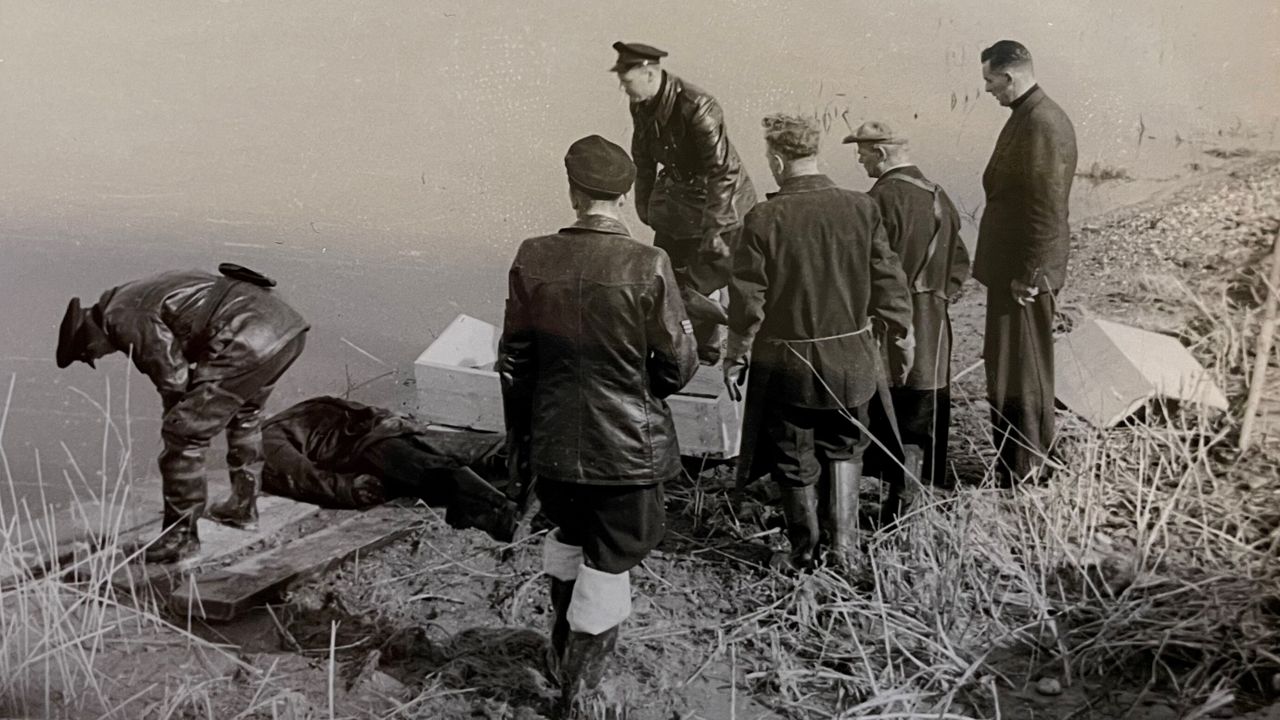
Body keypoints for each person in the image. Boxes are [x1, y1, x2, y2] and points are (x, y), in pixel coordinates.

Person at [498, 135, 698, 711]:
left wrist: (528, 434)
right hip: (628, 452)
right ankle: (580, 698)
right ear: (626, 194)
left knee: (567, 538)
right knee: (610, 563)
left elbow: (515, 358)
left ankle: (561, 656)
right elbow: (679, 364)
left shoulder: (532, 254)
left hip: (555, 447)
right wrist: (640, 390)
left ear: (573, 191)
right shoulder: (647, 262)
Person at [725, 114, 913, 571]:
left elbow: (749, 300)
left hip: (788, 365)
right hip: (852, 358)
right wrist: (904, 337)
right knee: (847, 445)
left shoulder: (763, 217)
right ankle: (844, 551)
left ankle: (803, 552)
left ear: (775, 159)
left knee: (793, 453)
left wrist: (736, 354)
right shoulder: (861, 207)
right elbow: (890, 281)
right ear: (815, 154)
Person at [56, 264, 308, 563]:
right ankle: (242, 508)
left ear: (89, 334)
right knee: (245, 416)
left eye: (89, 355)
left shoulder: (121, 319)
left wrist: (178, 419)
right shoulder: (129, 292)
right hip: (284, 331)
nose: (98, 356)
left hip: (247, 339)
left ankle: (180, 538)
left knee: (183, 434)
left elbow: (174, 380)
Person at [612, 41, 757, 364]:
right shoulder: (642, 102)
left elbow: (723, 169)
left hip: (721, 205)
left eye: (628, 81)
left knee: (689, 288)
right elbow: (643, 157)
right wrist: (645, 205)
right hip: (679, 204)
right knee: (668, 280)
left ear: (650, 73)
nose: (624, 89)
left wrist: (715, 230)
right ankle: (700, 352)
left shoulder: (698, 105)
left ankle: (731, 329)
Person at [845, 121, 971, 489]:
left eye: (863, 152)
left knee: (888, 402)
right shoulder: (937, 194)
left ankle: (888, 492)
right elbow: (961, 262)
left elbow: (865, 267)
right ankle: (924, 486)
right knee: (928, 398)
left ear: (881, 154)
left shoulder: (878, 200)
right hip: (935, 321)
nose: (859, 160)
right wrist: (937, 295)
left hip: (892, 323)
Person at [975, 40, 1078, 486]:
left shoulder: (1041, 123)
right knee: (1012, 369)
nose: (987, 90)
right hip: (1015, 271)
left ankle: (1026, 470)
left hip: (1023, 276)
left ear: (1010, 76)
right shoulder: (1030, 115)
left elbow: (1047, 206)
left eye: (990, 81)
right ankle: (1028, 462)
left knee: (1022, 371)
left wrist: (1030, 276)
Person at [258, 395, 518, 542]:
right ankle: (501, 512)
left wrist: (392, 420)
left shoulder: (303, 409)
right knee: (436, 468)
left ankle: (516, 488)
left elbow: (359, 410)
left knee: (475, 453)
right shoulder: (270, 434)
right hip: (371, 452)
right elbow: (296, 474)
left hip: (387, 436)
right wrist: (347, 488)